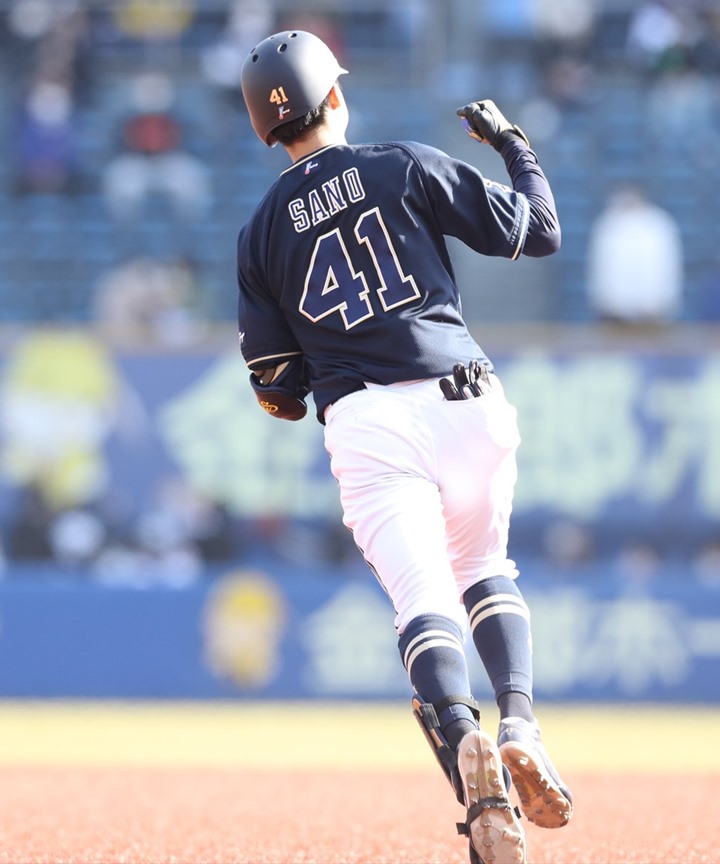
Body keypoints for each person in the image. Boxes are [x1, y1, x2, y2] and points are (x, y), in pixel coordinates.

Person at [236, 30, 573, 864]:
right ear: (336, 97)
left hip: (368, 422)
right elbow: (540, 232)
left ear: (263, 129)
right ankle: (520, 720)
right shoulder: (402, 164)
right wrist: (513, 143)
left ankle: (466, 744)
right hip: (464, 396)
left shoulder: (260, 233)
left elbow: (276, 388)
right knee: (486, 569)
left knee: (423, 603)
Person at [586, 184, 684, 325]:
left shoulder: (659, 223)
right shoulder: (608, 223)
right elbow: (600, 267)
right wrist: (607, 303)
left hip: (653, 311)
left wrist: (662, 302)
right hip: (614, 312)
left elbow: (667, 266)